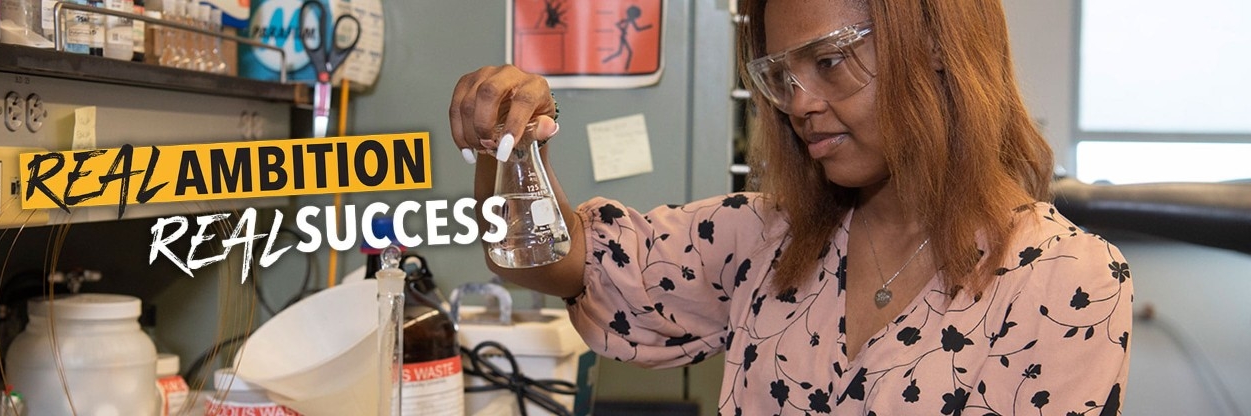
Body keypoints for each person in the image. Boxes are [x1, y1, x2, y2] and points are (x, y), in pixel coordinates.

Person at [448, 0, 1132, 414]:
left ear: (936, 48)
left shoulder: (1067, 281)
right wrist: (506, 144)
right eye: (781, 76)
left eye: (829, 62)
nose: (799, 102)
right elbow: (560, 262)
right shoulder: (764, 239)